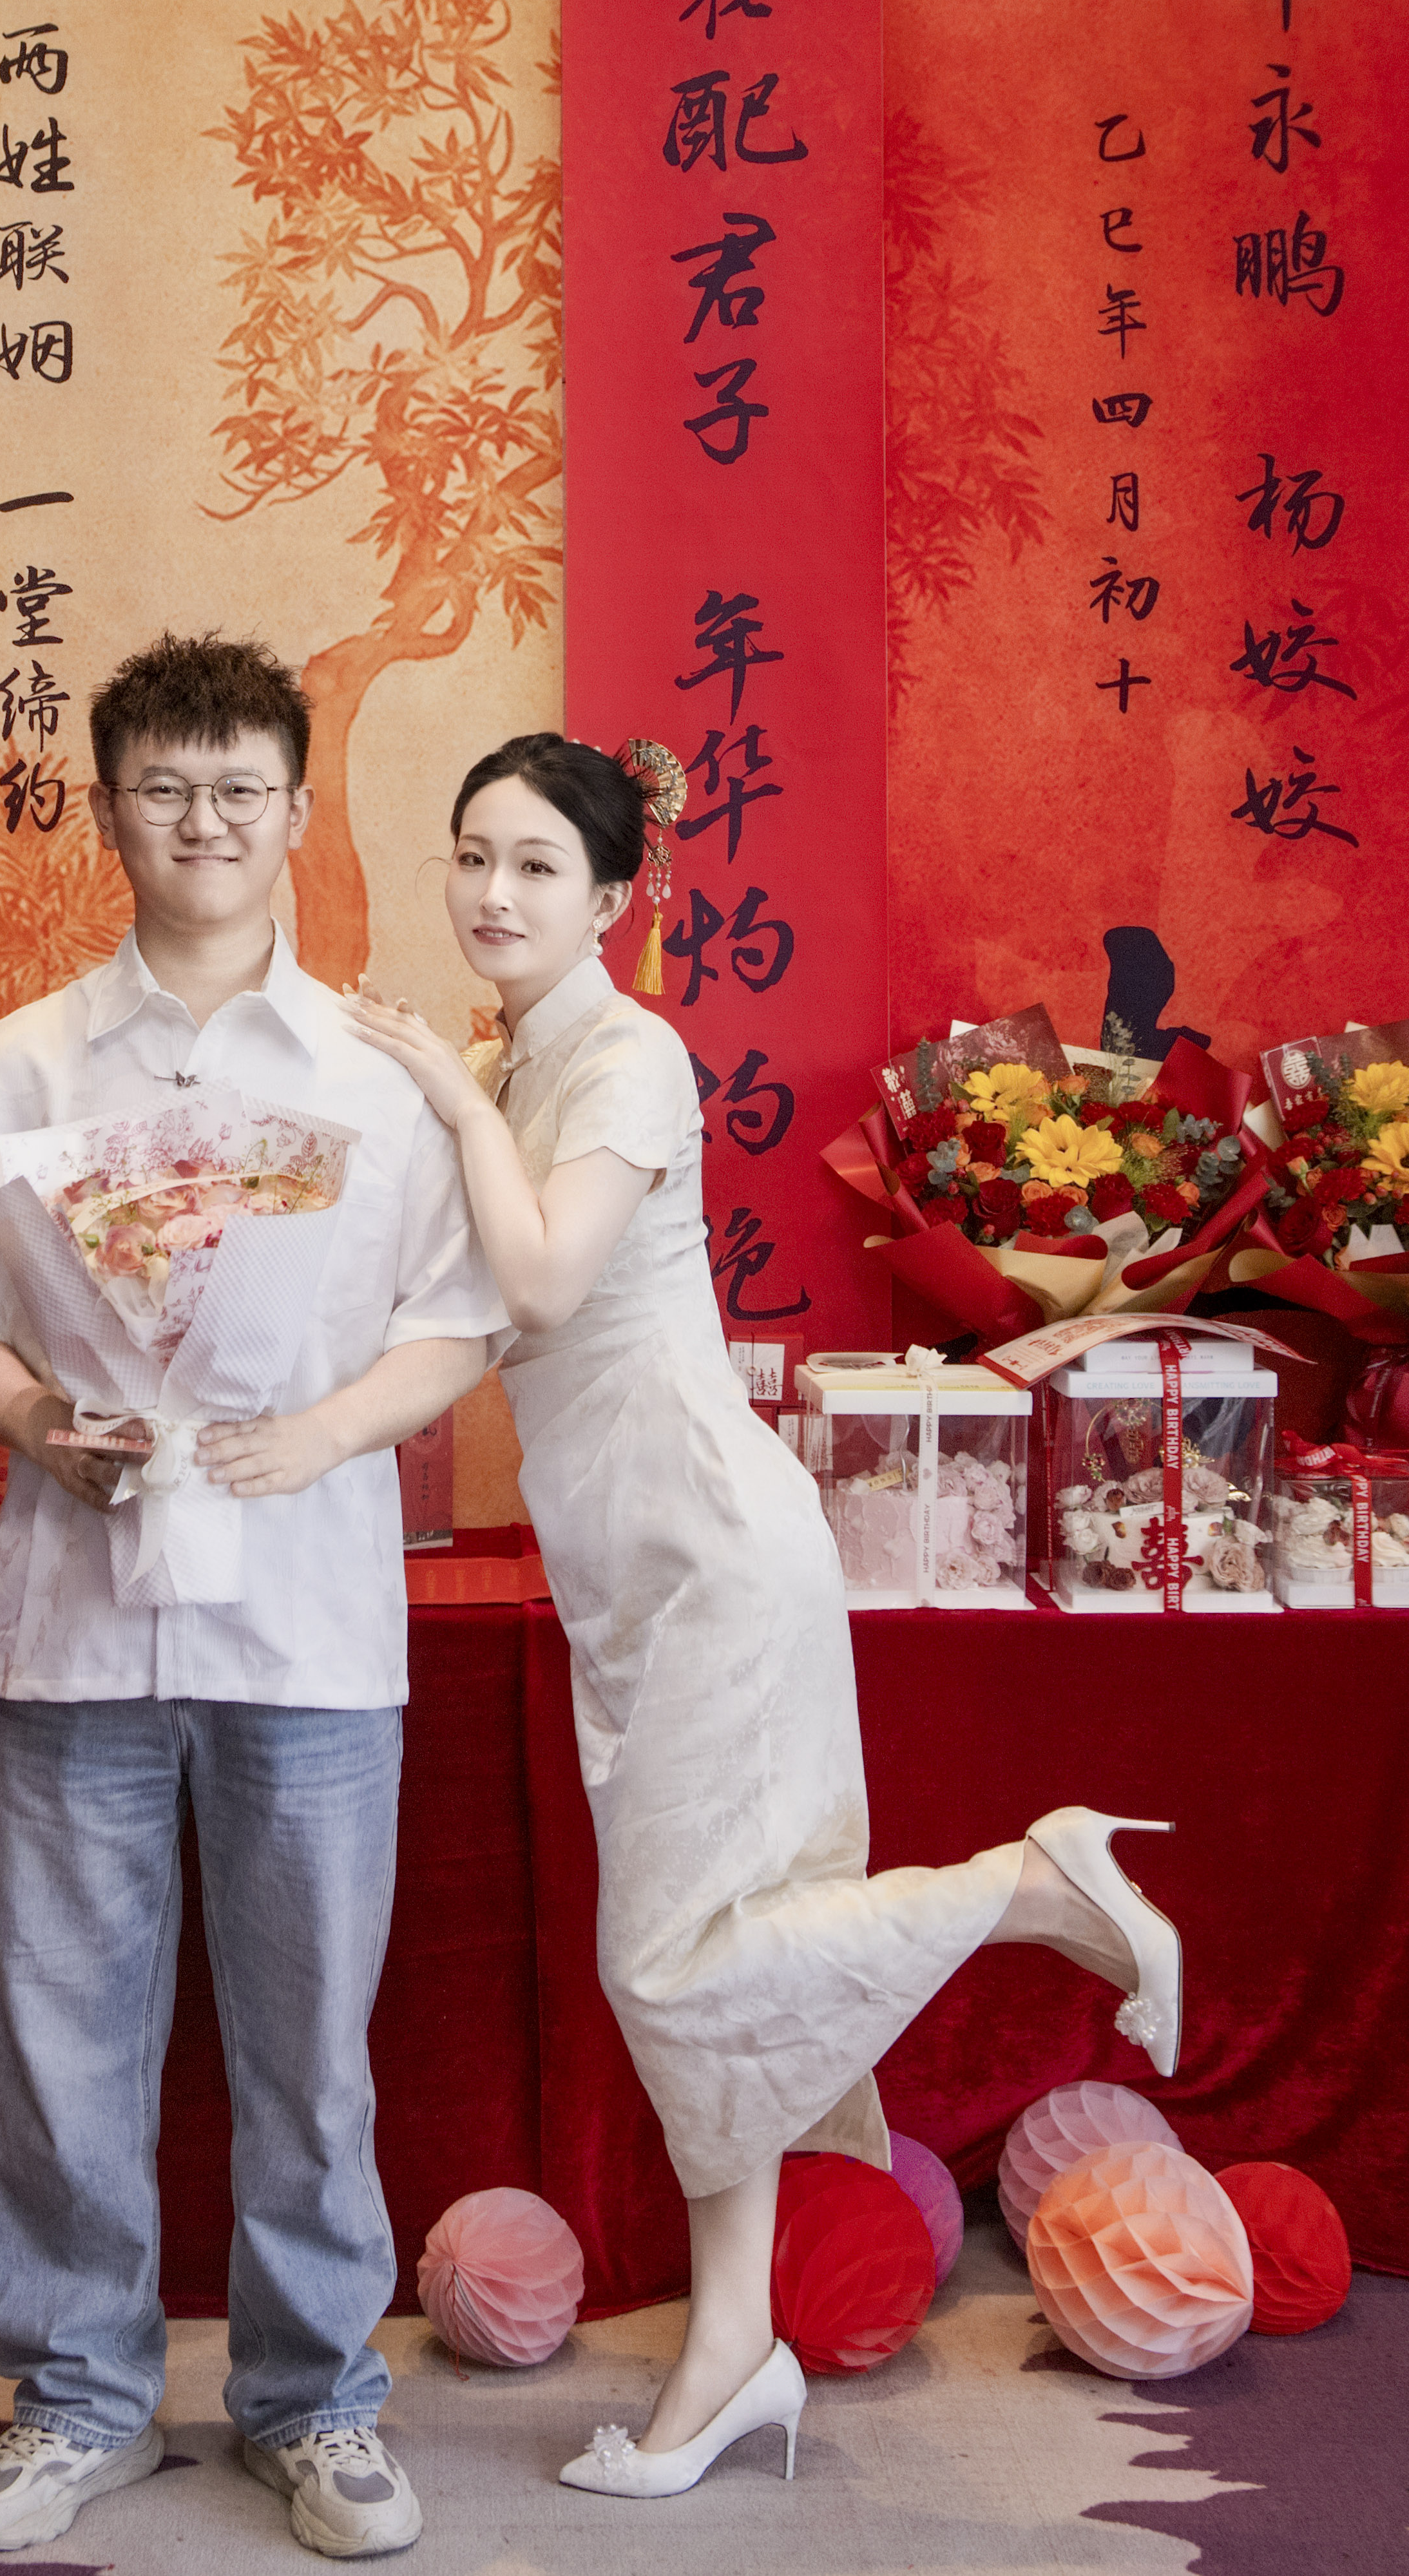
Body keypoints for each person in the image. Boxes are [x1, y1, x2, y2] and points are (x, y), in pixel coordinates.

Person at [345, 732, 1182, 2501]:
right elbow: (457, 1317)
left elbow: (542, 1276)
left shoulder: (626, 1058)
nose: (492, 893)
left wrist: (444, 1101)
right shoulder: (519, 1063)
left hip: (713, 1555)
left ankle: (1029, 1886)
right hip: (635, 1567)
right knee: (713, 1955)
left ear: (613, 897)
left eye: (536, 867)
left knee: (669, 1960)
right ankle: (734, 2348)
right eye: (470, 856)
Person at [0, 634, 504, 2559]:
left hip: (309, 1620)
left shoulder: (382, 1076)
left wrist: (323, 1436)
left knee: (311, 2046)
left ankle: (315, 2404)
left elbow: (459, 1320)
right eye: (164, 788)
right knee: (58, 2037)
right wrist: (36, 1426)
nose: (203, 821)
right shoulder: (21, 1064)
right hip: (80, 1616)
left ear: (298, 812)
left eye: (239, 790)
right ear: (107, 811)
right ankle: (77, 2401)